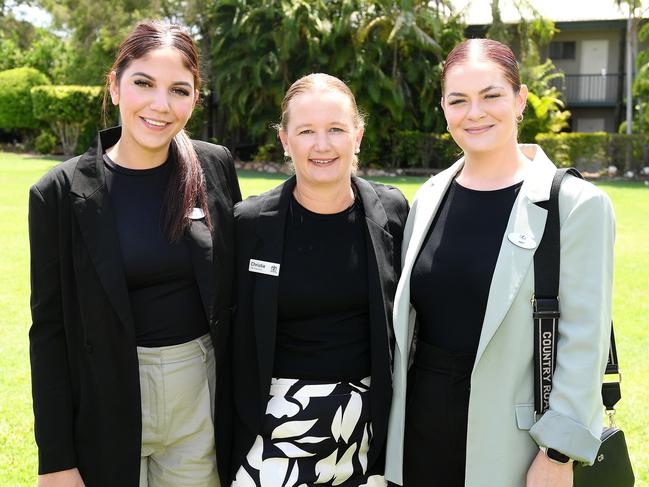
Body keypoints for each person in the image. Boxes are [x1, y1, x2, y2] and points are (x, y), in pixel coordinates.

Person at [384, 38, 615, 487]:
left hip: (518, 445)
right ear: (444, 109)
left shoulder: (575, 204)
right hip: (418, 432)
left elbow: (584, 339)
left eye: (491, 95)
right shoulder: (431, 195)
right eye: (458, 100)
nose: (475, 113)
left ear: (520, 99)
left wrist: (559, 452)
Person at [28, 21, 241, 487]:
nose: (161, 105)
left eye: (179, 90)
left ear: (194, 98)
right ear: (115, 85)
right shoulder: (58, 193)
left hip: (198, 394)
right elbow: (48, 332)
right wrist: (56, 460)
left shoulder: (214, 165)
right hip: (106, 392)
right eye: (144, 83)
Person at [219, 73, 408, 487]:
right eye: (306, 131)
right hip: (271, 432)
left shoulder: (391, 212)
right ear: (285, 140)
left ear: (357, 135)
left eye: (336, 129)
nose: (322, 145)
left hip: (365, 434)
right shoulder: (249, 224)